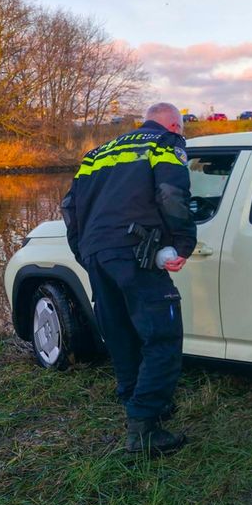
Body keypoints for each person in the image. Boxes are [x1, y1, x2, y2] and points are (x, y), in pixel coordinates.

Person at [61, 102, 196, 456]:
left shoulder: (97, 154)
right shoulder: (165, 142)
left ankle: (139, 408)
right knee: (162, 336)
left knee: (120, 335)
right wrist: (183, 242)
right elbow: (171, 194)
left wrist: (85, 252)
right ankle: (145, 428)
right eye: (181, 128)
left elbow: (69, 208)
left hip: (97, 253)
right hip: (137, 252)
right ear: (174, 124)